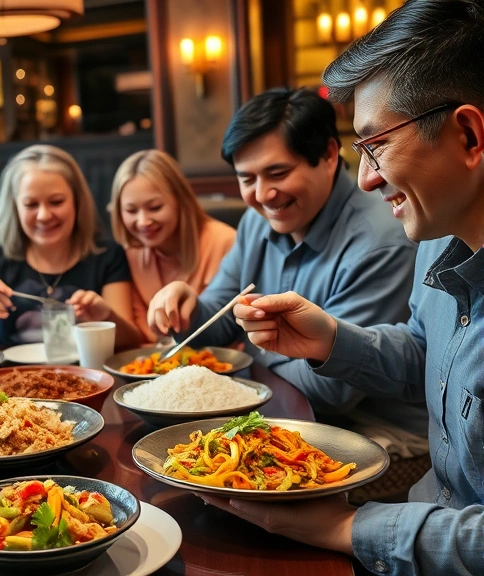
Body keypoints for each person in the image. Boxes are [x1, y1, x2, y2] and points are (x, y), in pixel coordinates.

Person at [216, 2, 484, 574]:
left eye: (377, 144)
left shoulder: (395, 231)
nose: (365, 179)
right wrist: (331, 340)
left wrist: (345, 526)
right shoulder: (437, 233)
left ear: (467, 133)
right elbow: (425, 356)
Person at [147, 88, 427, 461]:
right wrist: (187, 306)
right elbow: (220, 317)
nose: (263, 194)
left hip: (372, 431)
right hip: (279, 411)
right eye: (247, 179)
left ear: (329, 155)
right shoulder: (257, 220)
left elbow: (332, 391)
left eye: (277, 173)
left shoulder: (380, 242)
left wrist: (252, 348)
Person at [0, 144, 141, 349]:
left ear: (77, 201)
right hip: (2, 376)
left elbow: (130, 342)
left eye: (56, 202)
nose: (44, 216)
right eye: (31, 205)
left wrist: (107, 317)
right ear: (15, 207)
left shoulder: (107, 255)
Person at [108, 149, 236, 344]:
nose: (143, 221)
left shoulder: (226, 242)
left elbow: (232, 329)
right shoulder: (129, 252)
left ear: (180, 201)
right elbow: (141, 334)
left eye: (155, 207)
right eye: (131, 210)